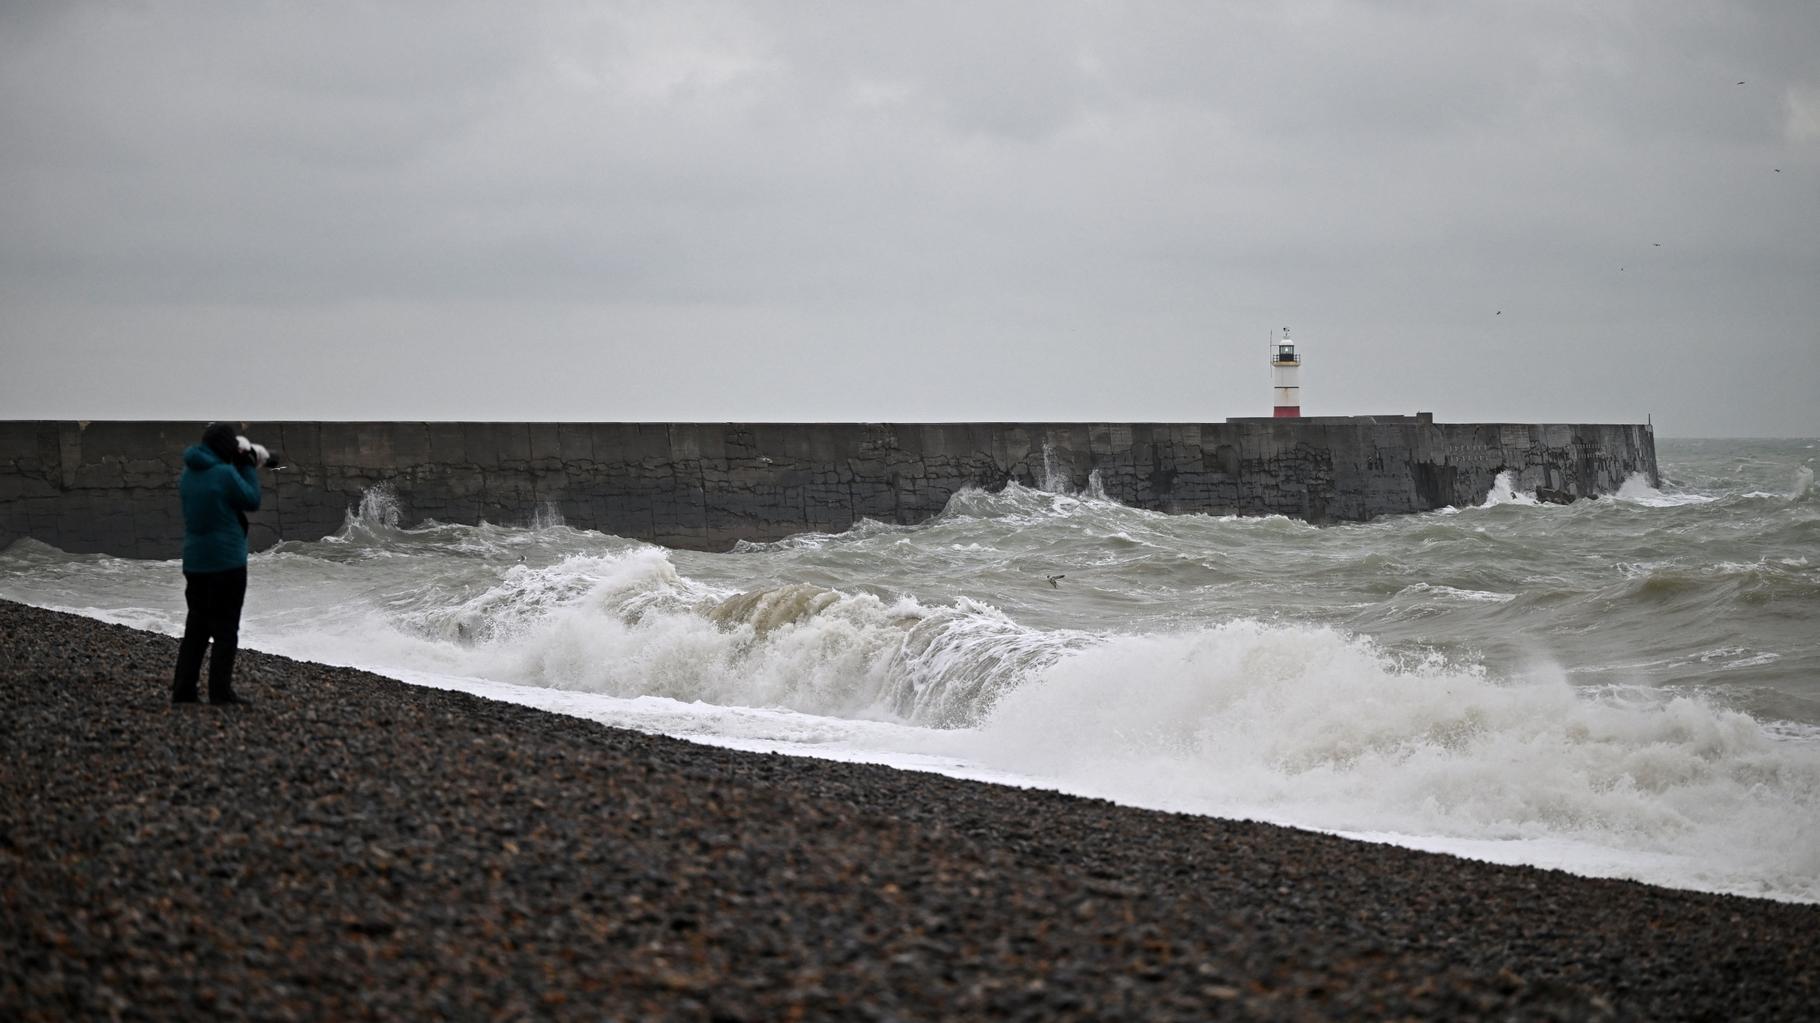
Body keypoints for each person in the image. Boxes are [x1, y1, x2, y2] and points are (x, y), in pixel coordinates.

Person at [172, 422, 262, 705]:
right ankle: (220, 692)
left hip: (195, 562)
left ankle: (184, 690)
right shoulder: (224, 474)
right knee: (225, 629)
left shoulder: (187, 475)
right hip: (226, 563)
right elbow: (251, 499)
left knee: (196, 628)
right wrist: (247, 464)